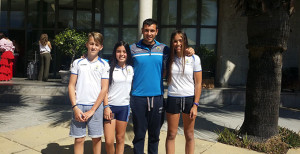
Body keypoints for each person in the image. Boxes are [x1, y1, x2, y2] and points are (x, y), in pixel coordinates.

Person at [130, 19, 195, 154]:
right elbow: (118, 61)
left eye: (152, 30)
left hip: (158, 97)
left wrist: (190, 50)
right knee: (139, 135)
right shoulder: (132, 49)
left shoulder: (164, 49)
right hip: (138, 98)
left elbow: (179, 51)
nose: (149, 33)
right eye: (146, 30)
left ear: (156, 32)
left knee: (154, 136)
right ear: (142, 30)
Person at [68, 32, 109, 154]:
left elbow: (104, 89)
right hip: (79, 105)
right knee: (79, 139)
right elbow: (71, 85)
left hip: (95, 107)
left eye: (96, 44)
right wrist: (75, 107)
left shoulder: (104, 65)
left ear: (101, 47)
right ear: (87, 44)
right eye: (91, 44)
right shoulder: (77, 63)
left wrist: (92, 110)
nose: (93, 47)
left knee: (96, 139)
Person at [165, 30, 202, 154]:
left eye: (180, 40)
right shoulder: (169, 58)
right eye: (175, 41)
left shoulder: (194, 59)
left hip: (189, 99)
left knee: (189, 134)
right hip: (173, 98)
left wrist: (195, 105)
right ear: (172, 43)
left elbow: (198, 83)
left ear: (185, 41)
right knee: (171, 134)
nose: (178, 43)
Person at [103, 41, 134, 154]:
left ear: (128, 54)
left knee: (120, 139)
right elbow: (104, 89)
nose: (121, 54)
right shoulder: (108, 67)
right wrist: (106, 106)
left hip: (124, 108)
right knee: (109, 141)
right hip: (110, 107)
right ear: (115, 53)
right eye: (118, 51)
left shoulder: (131, 69)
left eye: (124, 52)